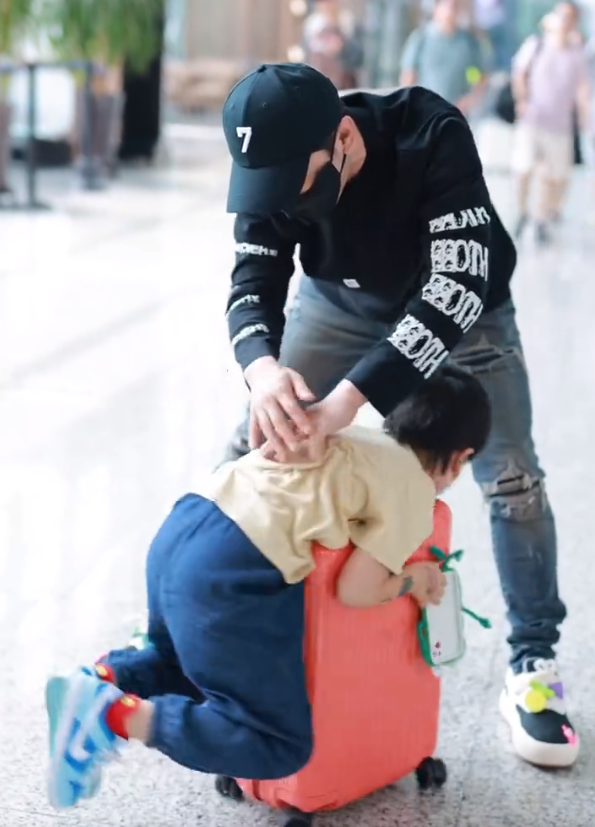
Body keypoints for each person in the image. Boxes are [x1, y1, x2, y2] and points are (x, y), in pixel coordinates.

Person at [220, 61, 579, 769]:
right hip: (338, 303)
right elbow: (252, 280)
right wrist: (262, 372)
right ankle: (205, 629)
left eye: (297, 183)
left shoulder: (430, 133)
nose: (280, 203)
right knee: (252, 443)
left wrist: (348, 401)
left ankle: (533, 665)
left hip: (465, 314)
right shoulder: (272, 164)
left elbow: (455, 284)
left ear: (344, 138)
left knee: (513, 479)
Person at [44, 367, 490, 809]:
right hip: (236, 562)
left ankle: (96, 682)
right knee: (278, 743)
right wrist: (415, 579)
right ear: (460, 458)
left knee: (180, 665)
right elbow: (356, 589)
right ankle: (111, 716)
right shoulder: (414, 490)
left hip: (185, 525)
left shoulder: (357, 434)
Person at [511, 2, 590, 243]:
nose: (565, 21)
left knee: (555, 177)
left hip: (560, 125)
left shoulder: (576, 55)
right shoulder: (536, 45)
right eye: (562, 16)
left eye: (570, 18)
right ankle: (522, 212)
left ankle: (542, 218)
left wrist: (586, 120)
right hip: (532, 119)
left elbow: (582, 89)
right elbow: (519, 74)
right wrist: (522, 100)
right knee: (524, 167)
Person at [400, 0, 490, 118]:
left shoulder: (467, 43)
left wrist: (468, 100)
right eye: (447, 6)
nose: (450, 11)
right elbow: (409, 76)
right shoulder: (421, 39)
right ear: (436, 8)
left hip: (455, 115)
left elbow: (475, 76)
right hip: (425, 114)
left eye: (454, 7)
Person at [302, 0, 364, 90]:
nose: (327, 5)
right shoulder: (312, 26)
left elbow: (358, 57)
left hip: (344, 83)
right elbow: (306, 57)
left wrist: (342, 47)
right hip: (318, 81)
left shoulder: (349, 23)